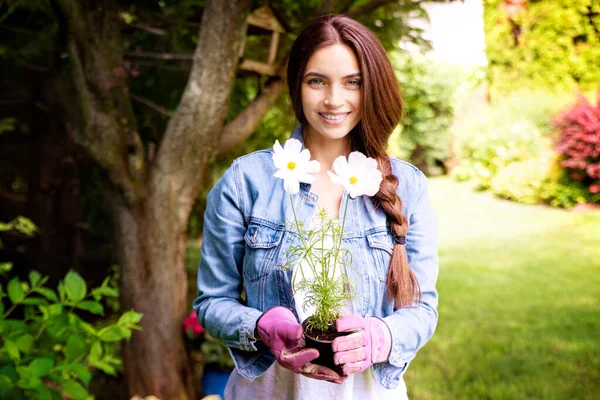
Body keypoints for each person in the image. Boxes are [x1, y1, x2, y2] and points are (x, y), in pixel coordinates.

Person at [193, 14, 438, 400]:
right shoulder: (246, 181)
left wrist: (380, 337)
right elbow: (211, 302)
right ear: (297, 86)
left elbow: (423, 312)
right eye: (316, 81)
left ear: (371, 87)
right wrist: (258, 326)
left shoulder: (408, 186)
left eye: (352, 82)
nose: (334, 99)